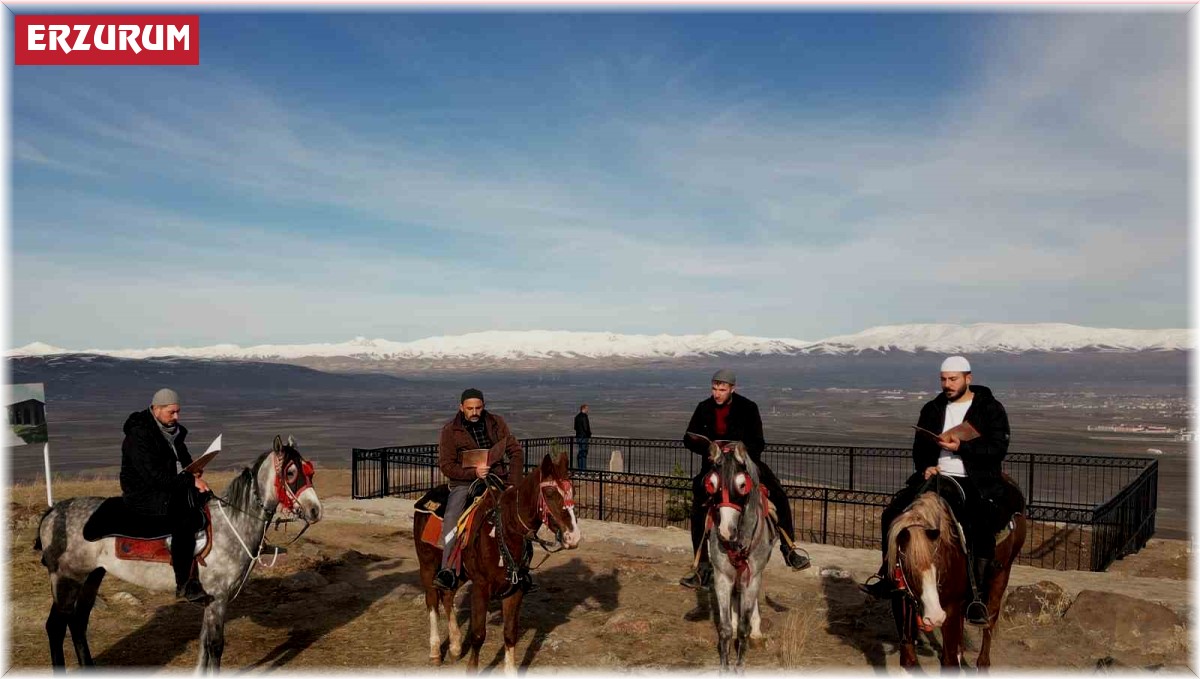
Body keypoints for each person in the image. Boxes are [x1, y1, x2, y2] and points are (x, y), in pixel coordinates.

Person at [860, 356, 1012, 626]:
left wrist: (962, 448)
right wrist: (925, 467)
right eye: (943, 379)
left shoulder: (990, 408)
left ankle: (977, 597)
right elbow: (919, 448)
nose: (947, 384)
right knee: (892, 515)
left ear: (968, 378)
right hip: (937, 478)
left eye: (953, 379)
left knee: (979, 525)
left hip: (973, 480)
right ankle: (887, 576)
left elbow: (998, 448)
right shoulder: (932, 408)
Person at [679, 369, 811, 589]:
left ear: (733, 389)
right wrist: (709, 448)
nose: (717, 394)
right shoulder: (703, 408)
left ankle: (789, 549)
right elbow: (688, 438)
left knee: (778, 493)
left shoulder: (748, 408)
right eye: (714, 388)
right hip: (715, 465)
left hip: (744, 463)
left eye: (722, 389)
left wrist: (740, 453)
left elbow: (758, 442)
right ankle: (702, 567)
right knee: (699, 498)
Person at [119, 388, 212, 604]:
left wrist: (194, 470)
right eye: (172, 412)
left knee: (206, 499)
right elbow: (154, 478)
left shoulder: (173, 431)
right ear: (156, 409)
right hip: (143, 493)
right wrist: (189, 481)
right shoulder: (138, 435)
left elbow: (184, 459)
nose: (177, 417)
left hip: (169, 486)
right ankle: (185, 582)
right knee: (184, 517)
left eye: (178, 412)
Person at [434, 388, 526, 591]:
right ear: (461, 408)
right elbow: (446, 466)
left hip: (498, 479)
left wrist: (513, 484)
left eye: (478, 408)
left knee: (520, 516)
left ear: (483, 406)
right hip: (465, 484)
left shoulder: (496, 423)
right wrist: (473, 473)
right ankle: (447, 568)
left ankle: (521, 567)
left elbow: (516, 452)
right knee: (451, 517)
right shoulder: (450, 430)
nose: (475, 412)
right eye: (470, 408)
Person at [573, 404, 592, 470]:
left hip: (578, 436)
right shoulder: (584, 417)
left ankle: (580, 468)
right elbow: (586, 428)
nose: (588, 410)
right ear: (583, 409)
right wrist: (589, 434)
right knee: (584, 453)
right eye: (587, 408)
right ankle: (583, 469)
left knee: (580, 452)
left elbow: (575, 427)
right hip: (584, 437)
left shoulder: (577, 417)